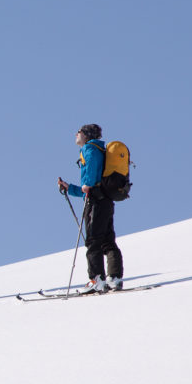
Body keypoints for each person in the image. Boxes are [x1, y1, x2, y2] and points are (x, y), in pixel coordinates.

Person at [58, 124, 124, 293]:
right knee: (108, 240)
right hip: (106, 200)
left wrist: (87, 184)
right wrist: (70, 188)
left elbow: (89, 181)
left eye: (79, 132)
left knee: (93, 240)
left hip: (95, 202)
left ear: (86, 135)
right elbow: (87, 190)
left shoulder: (90, 148)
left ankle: (96, 279)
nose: (76, 134)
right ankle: (114, 278)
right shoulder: (101, 150)